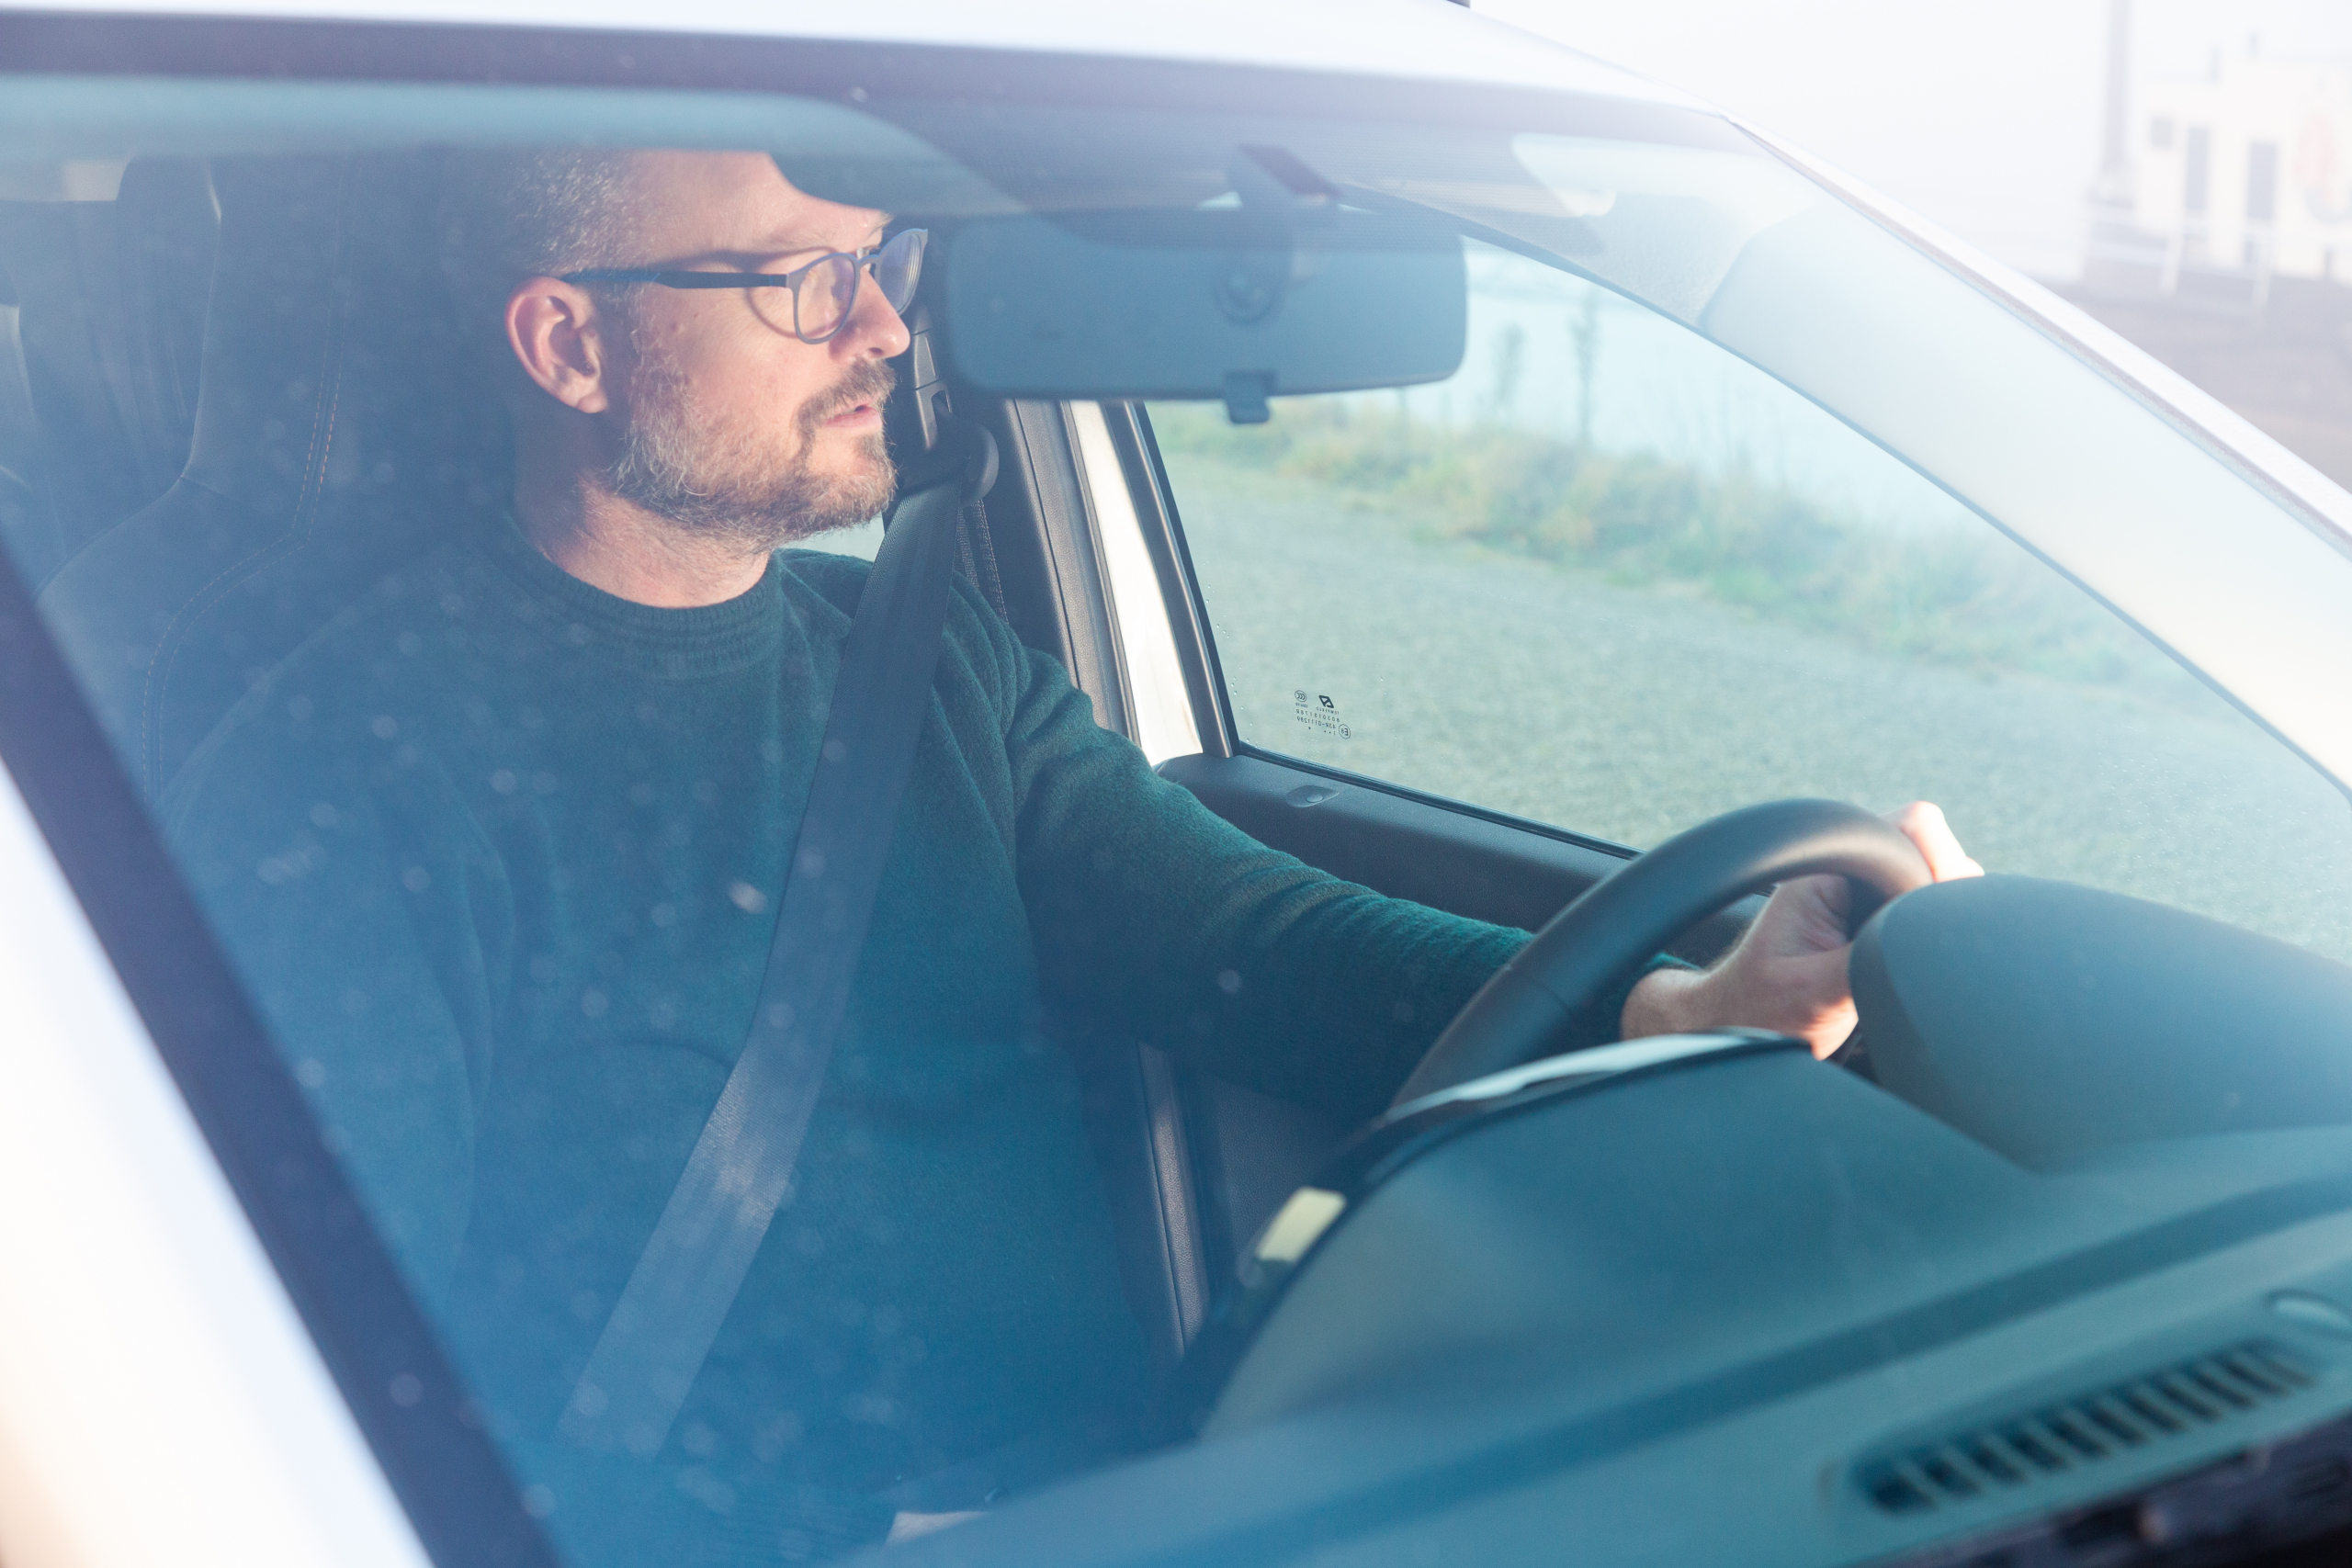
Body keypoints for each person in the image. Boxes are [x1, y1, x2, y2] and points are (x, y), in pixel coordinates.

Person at [162, 148, 1982, 1562]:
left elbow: (1260, 938)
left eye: (885, 266)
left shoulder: (926, 658)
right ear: (568, 341)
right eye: (803, 282)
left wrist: (1676, 998)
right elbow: (324, 1341)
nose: (882, 326)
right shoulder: (346, 767)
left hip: (1151, 1490)